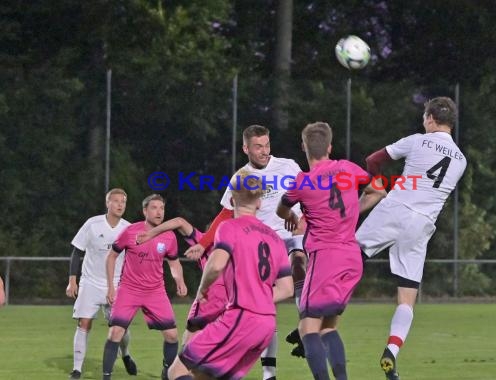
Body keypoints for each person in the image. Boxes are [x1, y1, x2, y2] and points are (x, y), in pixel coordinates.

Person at [356, 97, 467, 380]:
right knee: (407, 296)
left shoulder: (418, 140)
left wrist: (377, 181)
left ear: (430, 118)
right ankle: (391, 352)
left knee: (348, 256)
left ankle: (315, 315)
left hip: (395, 209)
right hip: (422, 225)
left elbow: (373, 160)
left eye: (424, 116)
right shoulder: (461, 160)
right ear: (451, 123)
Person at [186, 124, 307, 378]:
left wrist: (301, 218)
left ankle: (304, 326)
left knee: (298, 263)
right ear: (245, 148)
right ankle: (269, 372)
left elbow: (307, 195)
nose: (264, 151)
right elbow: (225, 213)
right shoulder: (241, 177)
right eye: (258, 147)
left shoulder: (288, 166)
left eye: (267, 145)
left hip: (289, 236)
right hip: (261, 245)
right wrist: (203, 242)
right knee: (263, 305)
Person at [276, 121, 385, 380]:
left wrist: (291, 214)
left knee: (307, 328)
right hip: (351, 258)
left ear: (304, 147)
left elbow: (281, 210)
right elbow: (378, 190)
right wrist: (352, 212)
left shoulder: (303, 182)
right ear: (330, 146)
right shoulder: (348, 168)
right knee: (328, 327)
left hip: (325, 259)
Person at [168, 170, 294, 380]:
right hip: (266, 326)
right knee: (205, 375)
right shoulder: (275, 239)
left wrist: (202, 289)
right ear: (260, 202)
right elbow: (287, 289)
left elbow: (216, 265)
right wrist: (259, 297)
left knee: (176, 371)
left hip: (241, 317)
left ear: (232, 199)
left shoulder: (229, 227)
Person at [102, 194, 188, 380]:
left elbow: (174, 263)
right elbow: (111, 256)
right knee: (115, 332)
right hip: (129, 289)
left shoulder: (169, 236)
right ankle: (106, 377)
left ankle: (167, 372)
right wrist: (111, 287)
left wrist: (179, 281)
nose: (159, 212)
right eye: (154, 208)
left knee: (172, 335)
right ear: (144, 211)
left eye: (162, 208)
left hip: (155, 291)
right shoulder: (131, 231)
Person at [65, 188, 137, 380]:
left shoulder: (129, 228)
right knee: (84, 323)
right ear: (107, 203)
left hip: (117, 283)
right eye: (116, 201)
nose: (120, 204)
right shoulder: (92, 224)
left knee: (119, 327)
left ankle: (126, 353)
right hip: (90, 282)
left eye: (123, 201)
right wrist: (72, 280)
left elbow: (134, 258)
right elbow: (77, 252)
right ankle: (77, 369)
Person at [135, 217, 226, 346]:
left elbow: (179, 222)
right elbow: (179, 222)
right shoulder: (212, 243)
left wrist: (151, 233)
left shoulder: (219, 244)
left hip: (214, 301)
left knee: (191, 348)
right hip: (220, 302)